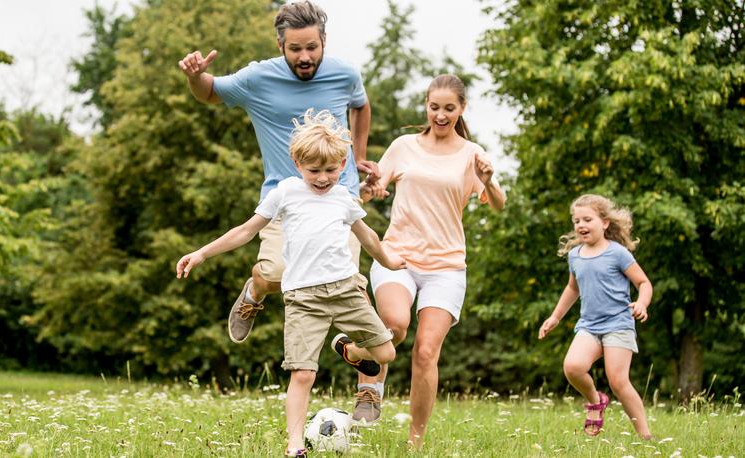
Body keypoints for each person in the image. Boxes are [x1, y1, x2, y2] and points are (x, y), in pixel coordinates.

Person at [176, 110, 403, 457]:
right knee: (302, 374)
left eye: (331, 170)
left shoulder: (344, 198)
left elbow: (368, 236)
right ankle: (294, 444)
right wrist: (202, 253)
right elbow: (246, 230)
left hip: (345, 292)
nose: (323, 178)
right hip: (303, 299)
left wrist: (389, 261)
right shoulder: (286, 193)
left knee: (386, 352)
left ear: (343, 164)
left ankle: (349, 350)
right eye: (314, 171)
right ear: (297, 163)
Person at [177, 0, 377, 344]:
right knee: (276, 275)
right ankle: (255, 290)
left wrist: (357, 156)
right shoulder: (258, 78)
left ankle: (368, 391)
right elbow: (209, 92)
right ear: (280, 45)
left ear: (324, 42)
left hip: (339, 195)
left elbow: (360, 103)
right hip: (283, 201)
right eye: (295, 48)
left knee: (352, 287)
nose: (304, 57)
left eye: (312, 47)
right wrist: (195, 77)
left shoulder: (344, 74)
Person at [345, 74, 506, 448]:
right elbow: (366, 193)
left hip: (447, 267)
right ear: (427, 106)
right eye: (435, 107)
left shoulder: (471, 154)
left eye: (449, 108)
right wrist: (371, 189)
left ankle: (414, 442)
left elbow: (498, 205)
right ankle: (368, 381)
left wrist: (490, 180)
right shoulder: (404, 147)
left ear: (462, 109)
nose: (441, 115)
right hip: (397, 255)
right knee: (395, 326)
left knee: (426, 351)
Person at [538, 194, 653, 439]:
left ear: (605, 223)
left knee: (618, 382)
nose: (580, 225)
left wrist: (642, 303)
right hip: (589, 325)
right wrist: (555, 317)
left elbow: (643, 282)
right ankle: (595, 401)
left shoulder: (618, 253)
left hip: (618, 324)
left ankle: (645, 437)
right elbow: (572, 289)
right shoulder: (575, 256)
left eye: (587, 219)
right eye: (576, 220)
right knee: (573, 367)